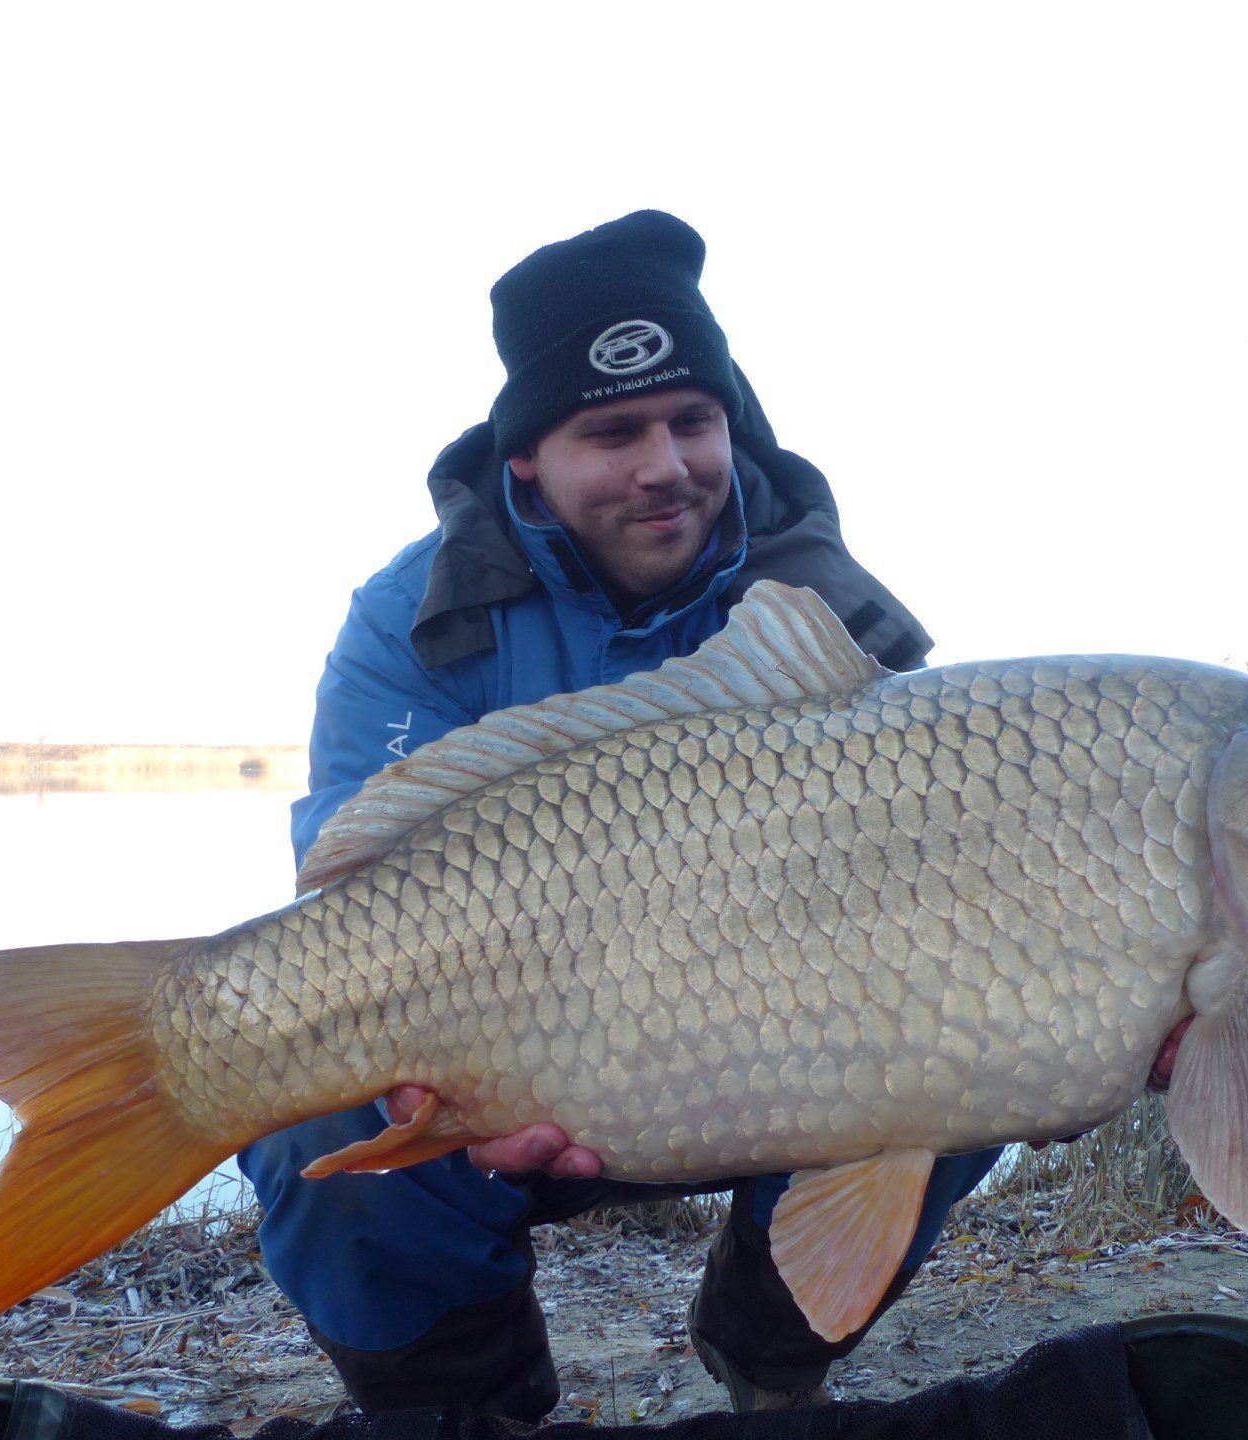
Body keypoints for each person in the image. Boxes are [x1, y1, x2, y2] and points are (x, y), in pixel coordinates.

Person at [238, 211, 1003, 1422]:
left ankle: (769, 1355)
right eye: (613, 431)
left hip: (774, 1052)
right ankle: (465, 1404)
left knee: (973, 1049)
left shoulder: (824, 607)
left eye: (694, 422)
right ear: (527, 458)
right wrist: (444, 1082)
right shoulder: (414, 618)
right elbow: (353, 882)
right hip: (511, 1048)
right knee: (312, 1117)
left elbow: (928, 892)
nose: (667, 465)